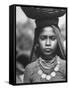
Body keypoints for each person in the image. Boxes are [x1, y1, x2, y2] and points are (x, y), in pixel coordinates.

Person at [23, 7, 66, 83]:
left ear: (58, 40)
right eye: (43, 38)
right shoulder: (29, 69)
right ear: (37, 41)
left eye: (52, 38)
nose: (48, 43)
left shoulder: (65, 67)